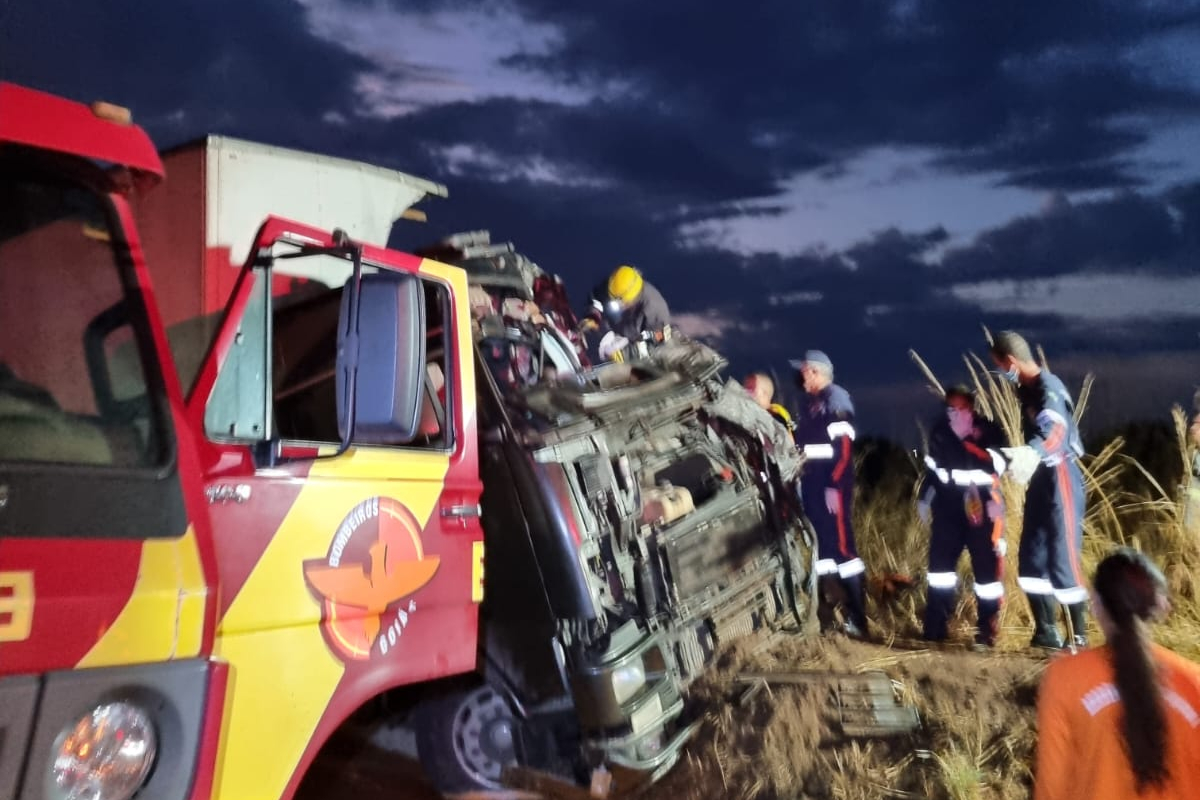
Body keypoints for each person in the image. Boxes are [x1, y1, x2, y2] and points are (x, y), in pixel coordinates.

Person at [1034, 547, 1200, 800]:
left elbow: (1051, 788)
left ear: (1096, 604)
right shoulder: (1193, 682)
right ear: (1160, 605)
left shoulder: (1064, 678)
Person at [990, 330, 1088, 649]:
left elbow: (1056, 430)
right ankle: (1046, 632)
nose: (1001, 373)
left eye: (1000, 366)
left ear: (1011, 361)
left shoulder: (1049, 388)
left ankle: (1079, 639)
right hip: (1041, 480)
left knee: (1063, 558)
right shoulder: (1025, 391)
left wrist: (1034, 451)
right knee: (1032, 557)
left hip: (1060, 474)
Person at [917, 385, 1008, 647]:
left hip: (983, 508)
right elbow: (933, 472)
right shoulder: (940, 432)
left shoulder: (989, 430)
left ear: (971, 408)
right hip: (947, 509)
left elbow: (998, 465)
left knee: (986, 573)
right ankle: (935, 628)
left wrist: (967, 440)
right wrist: (925, 498)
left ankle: (986, 631)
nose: (954, 413)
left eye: (960, 408)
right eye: (950, 408)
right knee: (940, 571)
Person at [791, 350, 867, 638]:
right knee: (824, 553)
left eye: (806, 371)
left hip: (830, 487)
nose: (802, 376)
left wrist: (835, 486)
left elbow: (843, 450)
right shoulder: (810, 404)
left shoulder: (835, 399)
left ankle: (858, 620)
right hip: (812, 486)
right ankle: (829, 615)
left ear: (817, 372)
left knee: (844, 552)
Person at [585, 265, 670, 360]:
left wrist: (625, 354)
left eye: (621, 302)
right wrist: (594, 315)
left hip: (634, 348)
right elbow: (596, 297)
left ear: (632, 298)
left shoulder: (655, 311)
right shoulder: (615, 287)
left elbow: (657, 345)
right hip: (611, 333)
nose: (619, 306)